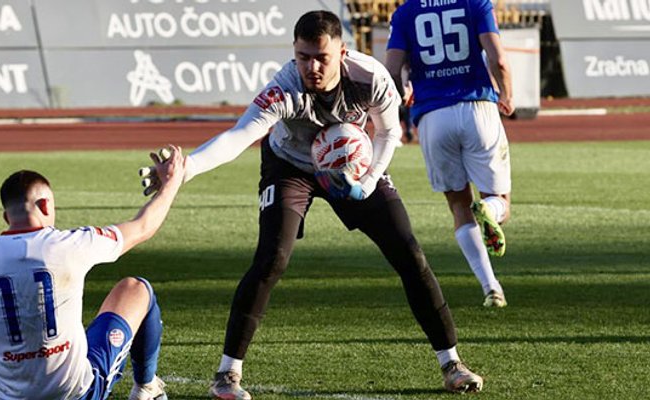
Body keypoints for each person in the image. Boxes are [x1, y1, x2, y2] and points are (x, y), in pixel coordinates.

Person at [176, 10, 483, 398]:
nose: (312, 67)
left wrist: (368, 180)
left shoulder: (370, 77)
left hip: (352, 166)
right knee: (272, 258)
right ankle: (226, 374)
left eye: (321, 57)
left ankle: (451, 363)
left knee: (409, 252)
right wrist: (186, 168)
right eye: (303, 56)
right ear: (294, 52)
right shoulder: (284, 88)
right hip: (290, 165)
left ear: (342, 52)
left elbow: (389, 133)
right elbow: (239, 137)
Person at [0, 147, 185, 400]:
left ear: (6, 216)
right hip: (76, 394)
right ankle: (146, 387)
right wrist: (171, 182)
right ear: (45, 205)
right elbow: (143, 227)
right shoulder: (71, 244)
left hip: (0, 396)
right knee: (136, 288)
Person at [384, 0, 514, 308]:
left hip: (432, 116)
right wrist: (507, 95)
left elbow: (391, 70)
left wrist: (403, 92)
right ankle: (491, 211)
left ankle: (491, 286)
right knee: (501, 201)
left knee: (458, 204)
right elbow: (499, 59)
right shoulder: (476, 3)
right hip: (478, 108)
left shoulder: (405, 12)